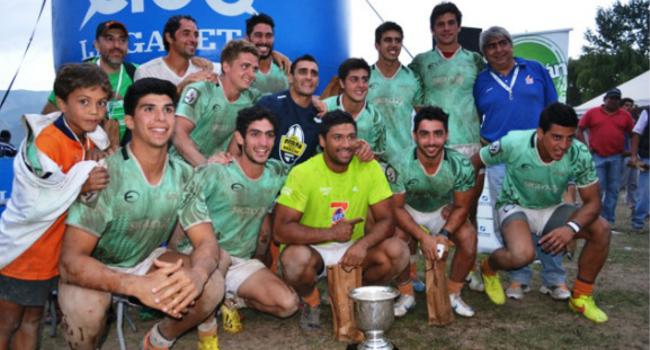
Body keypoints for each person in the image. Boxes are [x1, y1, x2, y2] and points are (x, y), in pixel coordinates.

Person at [58, 78, 226, 350]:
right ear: (130, 121)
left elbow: (206, 242)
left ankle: (160, 339)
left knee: (211, 283)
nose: (161, 118)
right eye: (149, 109)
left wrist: (197, 275)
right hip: (94, 266)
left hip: (145, 259)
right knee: (85, 309)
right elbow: (71, 261)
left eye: (168, 109)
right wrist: (135, 285)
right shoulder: (105, 174)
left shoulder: (184, 174)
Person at [0, 64, 111, 350]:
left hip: (49, 251)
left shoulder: (84, 138)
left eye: (101, 103)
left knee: (32, 320)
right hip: (24, 251)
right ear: (62, 103)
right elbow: (37, 202)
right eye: (84, 102)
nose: (94, 111)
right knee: (7, 322)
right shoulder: (48, 143)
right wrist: (82, 185)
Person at [472, 102, 611, 324]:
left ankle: (582, 296)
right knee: (522, 256)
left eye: (569, 137)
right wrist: (462, 200)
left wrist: (570, 228)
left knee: (601, 228)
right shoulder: (515, 142)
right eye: (556, 137)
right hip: (515, 204)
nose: (563, 145)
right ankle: (489, 268)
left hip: (551, 208)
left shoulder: (578, 153)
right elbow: (477, 160)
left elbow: (593, 202)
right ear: (540, 133)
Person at [274, 110, 409, 331]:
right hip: (313, 250)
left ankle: (356, 296)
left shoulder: (369, 167)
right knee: (293, 259)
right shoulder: (304, 172)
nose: (346, 144)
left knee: (398, 250)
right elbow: (280, 230)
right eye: (337, 137)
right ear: (322, 141)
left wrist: (362, 245)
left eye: (350, 137)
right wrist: (331, 234)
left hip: (352, 249)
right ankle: (312, 300)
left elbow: (387, 220)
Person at [175, 106, 298, 328]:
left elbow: (311, 176)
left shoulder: (278, 172)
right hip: (200, 258)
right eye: (255, 134)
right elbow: (181, 218)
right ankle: (208, 310)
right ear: (239, 138)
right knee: (219, 256)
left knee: (288, 304)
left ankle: (230, 299)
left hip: (240, 262)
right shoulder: (215, 172)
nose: (263, 143)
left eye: (269, 135)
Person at [474, 26, 568, 300]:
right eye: (491, 46)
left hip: (541, 156)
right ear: (485, 53)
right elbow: (476, 118)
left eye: (503, 42)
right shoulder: (480, 81)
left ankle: (554, 278)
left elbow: (554, 110)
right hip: (501, 160)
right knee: (510, 218)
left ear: (511, 44)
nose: (499, 49)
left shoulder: (535, 69)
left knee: (550, 214)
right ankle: (518, 277)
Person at [388, 106, 477, 318]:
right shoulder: (399, 163)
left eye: (438, 134)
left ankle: (453, 293)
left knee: (468, 236)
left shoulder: (461, 164)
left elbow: (463, 206)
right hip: (409, 209)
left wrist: (444, 235)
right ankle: (406, 293)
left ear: (446, 135)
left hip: (441, 210)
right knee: (396, 240)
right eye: (424, 134)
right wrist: (423, 237)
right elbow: (397, 208)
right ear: (414, 135)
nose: (431, 141)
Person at [42, 20, 136, 145]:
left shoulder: (137, 73)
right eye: (109, 39)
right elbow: (47, 118)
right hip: (83, 154)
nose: (116, 45)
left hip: (125, 156)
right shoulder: (76, 75)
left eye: (122, 40)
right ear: (96, 45)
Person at [409, 2, 483, 157]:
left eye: (451, 23)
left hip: (470, 142)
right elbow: (413, 100)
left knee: (472, 182)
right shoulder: (421, 62)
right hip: (434, 145)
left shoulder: (475, 60)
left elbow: (486, 98)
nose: (446, 28)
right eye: (440, 24)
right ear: (432, 30)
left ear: (459, 26)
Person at [173, 40, 261, 167]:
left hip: (217, 173)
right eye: (245, 66)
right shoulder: (202, 89)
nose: (252, 74)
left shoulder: (251, 99)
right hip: (180, 169)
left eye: (255, 69)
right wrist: (206, 167)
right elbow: (178, 134)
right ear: (226, 66)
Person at [577, 88, 635, 225]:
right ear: (605, 99)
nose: (614, 101)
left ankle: (608, 220)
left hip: (617, 157)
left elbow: (634, 135)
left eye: (616, 99)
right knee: (598, 189)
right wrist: (585, 148)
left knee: (613, 190)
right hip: (597, 156)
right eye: (611, 98)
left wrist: (631, 152)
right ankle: (595, 218)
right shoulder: (592, 112)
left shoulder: (625, 115)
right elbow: (580, 129)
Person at [367, 21, 421, 165]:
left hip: (403, 160)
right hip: (369, 160)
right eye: (388, 40)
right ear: (377, 45)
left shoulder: (413, 78)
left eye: (398, 40)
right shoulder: (364, 77)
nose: (393, 44)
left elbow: (423, 120)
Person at [134, 15, 219, 93]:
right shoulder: (147, 72)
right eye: (186, 34)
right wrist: (182, 87)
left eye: (196, 35)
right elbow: (146, 106)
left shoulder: (206, 69)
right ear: (169, 37)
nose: (193, 40)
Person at [323, 58, 386, 160]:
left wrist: (368, 153)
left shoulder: (375, 117)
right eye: (354, 79)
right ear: (342, 83)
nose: (361, 85)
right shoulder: (325, 108)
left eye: (364, 80)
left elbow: (376, 156)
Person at [245, 13, 289, 95]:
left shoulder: (286, 68)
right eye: (258, 35)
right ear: (247, 38)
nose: (264, 41)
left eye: (269, 36)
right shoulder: (239, 70)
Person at [629, 107, 649, 231]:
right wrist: (634, 155)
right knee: (645, 192)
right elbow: (636, 133)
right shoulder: (647, 112)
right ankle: (638, 222)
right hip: (647, 157)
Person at [620, 97, 638, 209]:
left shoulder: (635, 120)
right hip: (622, 155)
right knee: (620, 183)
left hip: (634, 155)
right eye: (626, 105)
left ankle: (633, 204)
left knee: (633, 182)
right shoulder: (619, 120)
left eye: (630, 105)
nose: (629, 107)